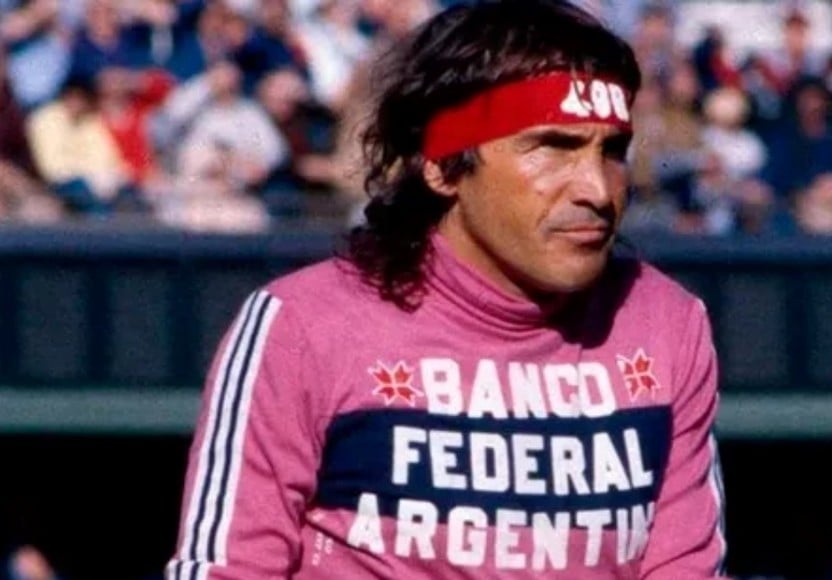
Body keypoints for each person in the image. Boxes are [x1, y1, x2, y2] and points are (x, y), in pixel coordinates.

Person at [166, 1, 727, 578]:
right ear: (442, 166)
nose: (597, 190)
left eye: (612, 151)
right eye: (553, 147)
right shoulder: (301, 326)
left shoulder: (667, 324)